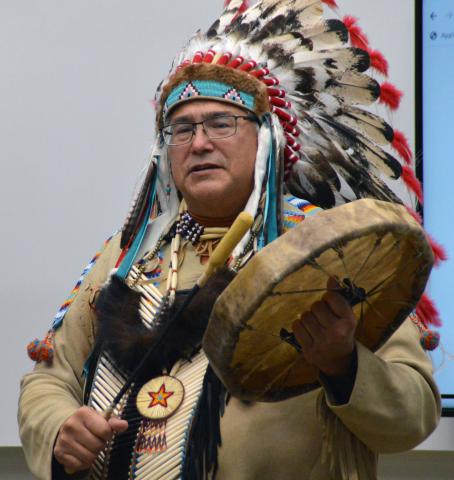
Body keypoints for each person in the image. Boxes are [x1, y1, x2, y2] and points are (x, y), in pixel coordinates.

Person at [19, 1, 441, 479]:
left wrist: (342, 364)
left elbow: (413, 415)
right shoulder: (127, 255)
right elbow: (48, 381)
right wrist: (59, 428)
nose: (199, 143)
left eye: (221, 123)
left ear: (267, 139)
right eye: (182, 129)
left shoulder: (335, 250)